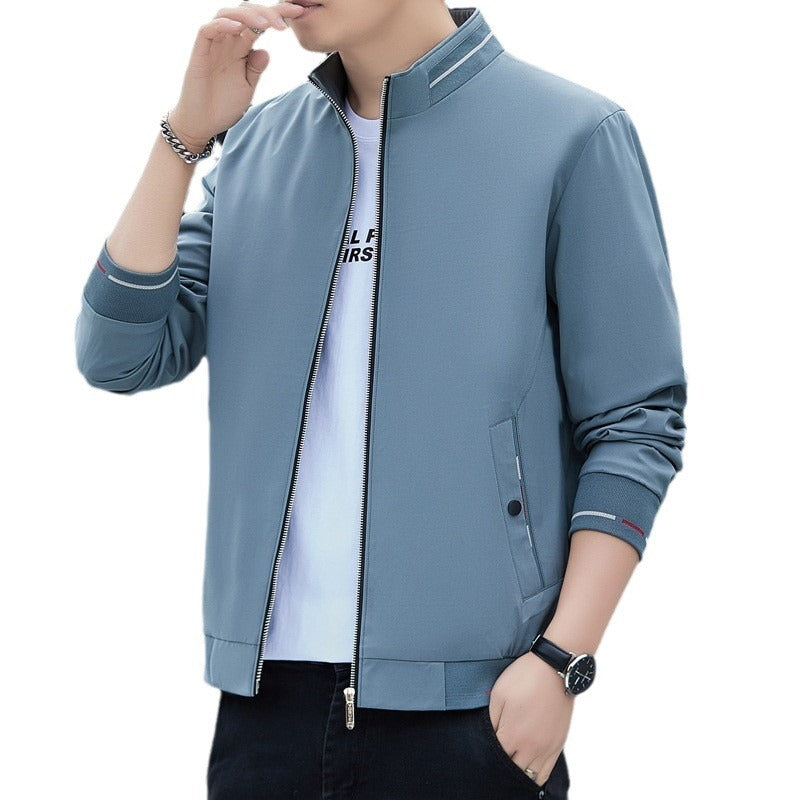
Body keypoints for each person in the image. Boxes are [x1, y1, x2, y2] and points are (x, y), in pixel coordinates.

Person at [73, 2, 688, 797]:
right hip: (266, 711)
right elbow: (119, 356)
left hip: (476, 707)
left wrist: (562, 658)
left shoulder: (569, 135)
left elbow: (636, 424)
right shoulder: (256, 150)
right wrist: (184, 139)